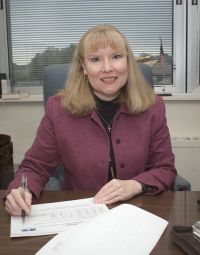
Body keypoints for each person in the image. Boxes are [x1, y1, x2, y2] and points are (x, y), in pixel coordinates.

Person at [3, 24, 177, 216]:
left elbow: (165, 168)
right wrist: (21, 189)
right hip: (80, 214)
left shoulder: (153, 107)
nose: (107, 68)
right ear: (83, 67)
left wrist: (135, 185)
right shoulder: (59, 109)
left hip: (138, 212)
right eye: (95, 59)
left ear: (128, 62)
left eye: (116, 57)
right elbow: (35, 165)